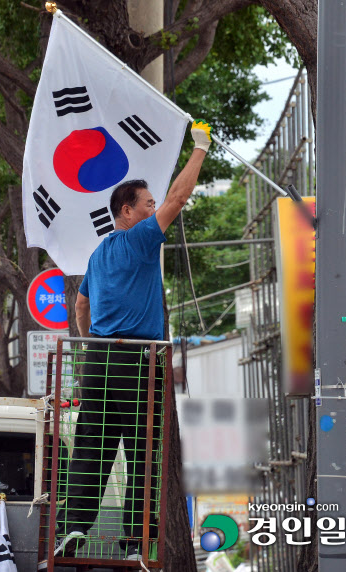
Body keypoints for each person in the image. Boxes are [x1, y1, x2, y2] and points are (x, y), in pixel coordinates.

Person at [54, 121, 212, 560]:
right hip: (135, 359)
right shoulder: (140, 240)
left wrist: (90, 348)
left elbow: (80, 309)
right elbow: (180, 197)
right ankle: (134, 543)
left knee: (92, 444)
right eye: (146, 204)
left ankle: (73, 531)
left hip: (98, 360)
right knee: (143, 450)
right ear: (127, 210)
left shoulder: (98, 252)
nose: (154, 208)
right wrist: (200, 148)